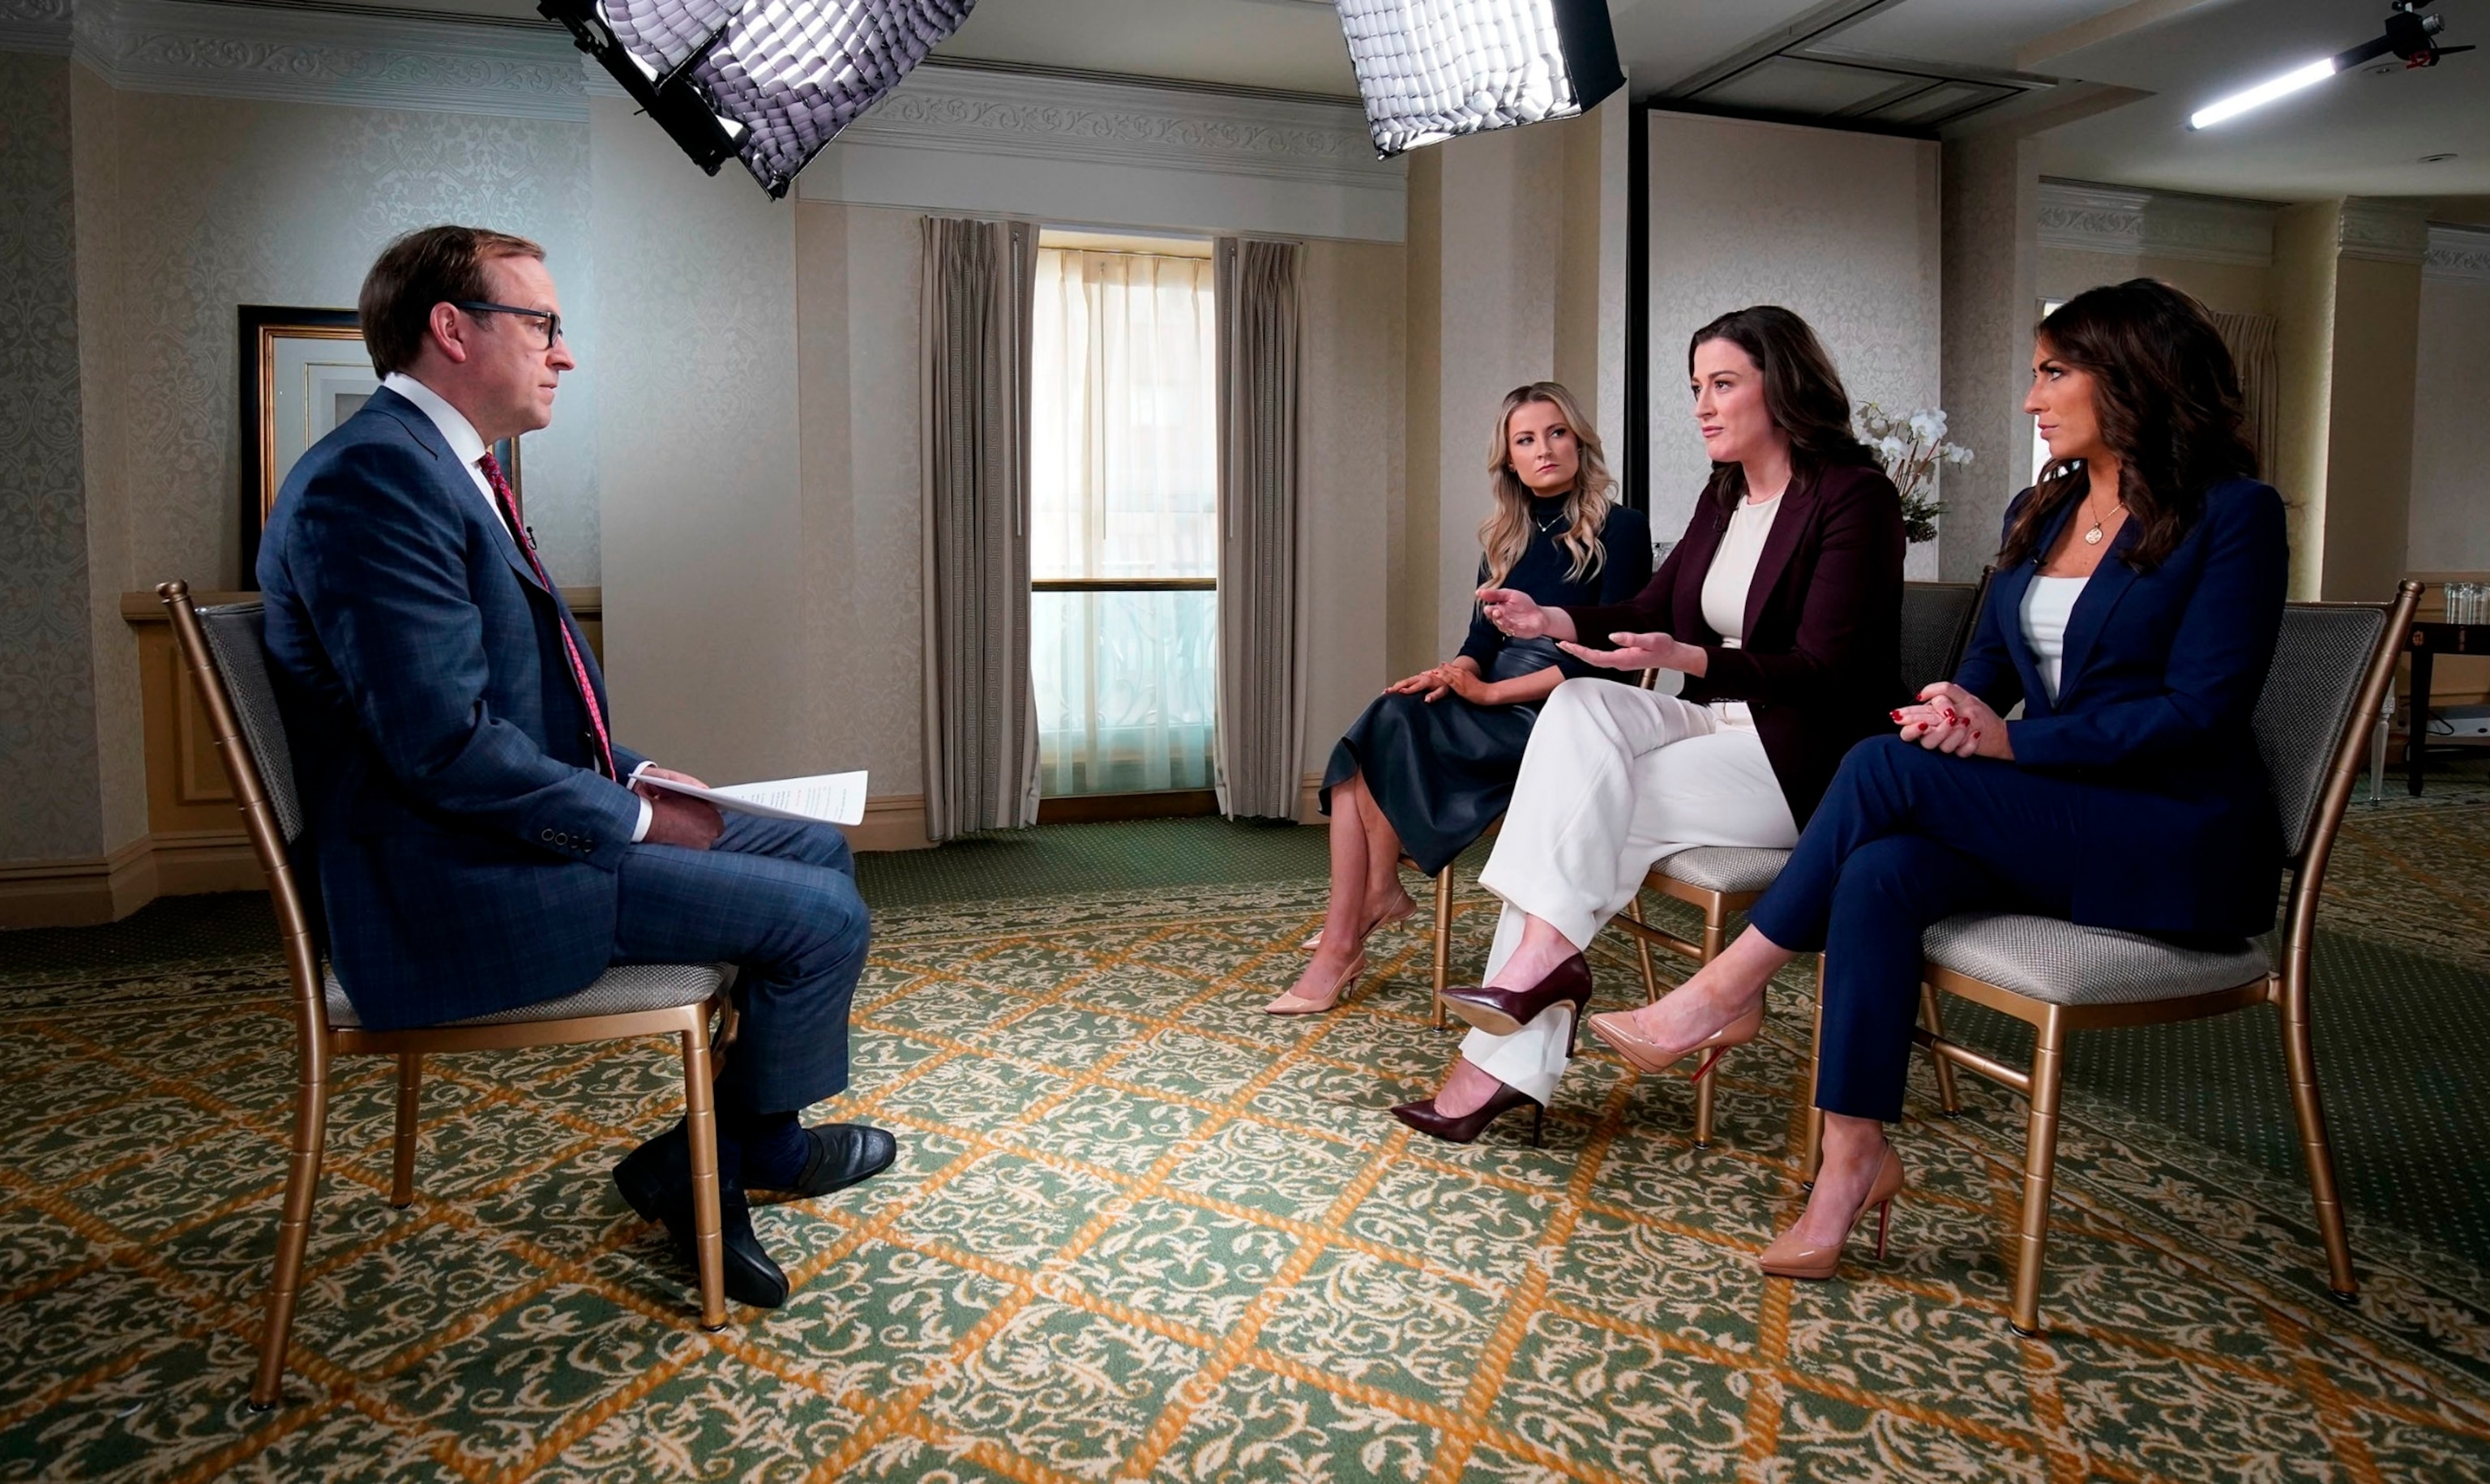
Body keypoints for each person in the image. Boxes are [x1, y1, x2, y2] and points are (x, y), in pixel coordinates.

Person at [255, 225, 889, 1310]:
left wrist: (643, 778)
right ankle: (711, 1163)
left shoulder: (444, 470)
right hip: (454, 879)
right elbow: (444, 746)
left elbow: (522, 708)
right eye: (543, 323)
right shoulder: (376, 482)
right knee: (819, 921)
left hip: (482, 836)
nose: (565, 352)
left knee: (818, 849)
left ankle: (747, 1140)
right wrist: (632, 822)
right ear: (452, 330)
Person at [1604, 279, 2282, 1280]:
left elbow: (2201, 711)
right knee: (1879, 874)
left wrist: (2011, 747)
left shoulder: (2234, 514)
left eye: (2053, 373)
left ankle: (1723, 990)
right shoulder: (2042, 507)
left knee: (1877, 765)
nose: (2030, 399)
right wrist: (1956, 705)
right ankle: (1851, 1165)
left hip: (2174, 838)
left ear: (2134, 375)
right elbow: (1992, 667)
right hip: (2065, 819)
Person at [1394, 307, 1904, 1144]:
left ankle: (1496, 1056)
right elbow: (1650, 609)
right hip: (1717, 728)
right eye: (1696, 387)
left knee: (1588, 805)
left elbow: (1830, 670)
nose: (1703, 405)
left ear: (1782, 385)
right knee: (1582, 705)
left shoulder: (1856, 497)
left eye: (1724, 384)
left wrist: (1697, 661)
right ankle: (1539, 977)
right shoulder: (1726, 493)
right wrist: (1551, 620)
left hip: (1800, 757)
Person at [1268, 383, 1650, 1014]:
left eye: (1555, 433)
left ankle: (1350, 934)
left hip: (1563, 715)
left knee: (1385, 730)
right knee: (1388, 714)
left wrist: (1492, 690)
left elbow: (1607, 664)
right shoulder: (1504, 535)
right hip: (1490, 696)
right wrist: (1452, 673)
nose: (1544, 450)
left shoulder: (1622, 527)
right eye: (1525, 440)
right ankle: (1364, 909)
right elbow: (1479, 637)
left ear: (1579, 440)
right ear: (1509, 460)